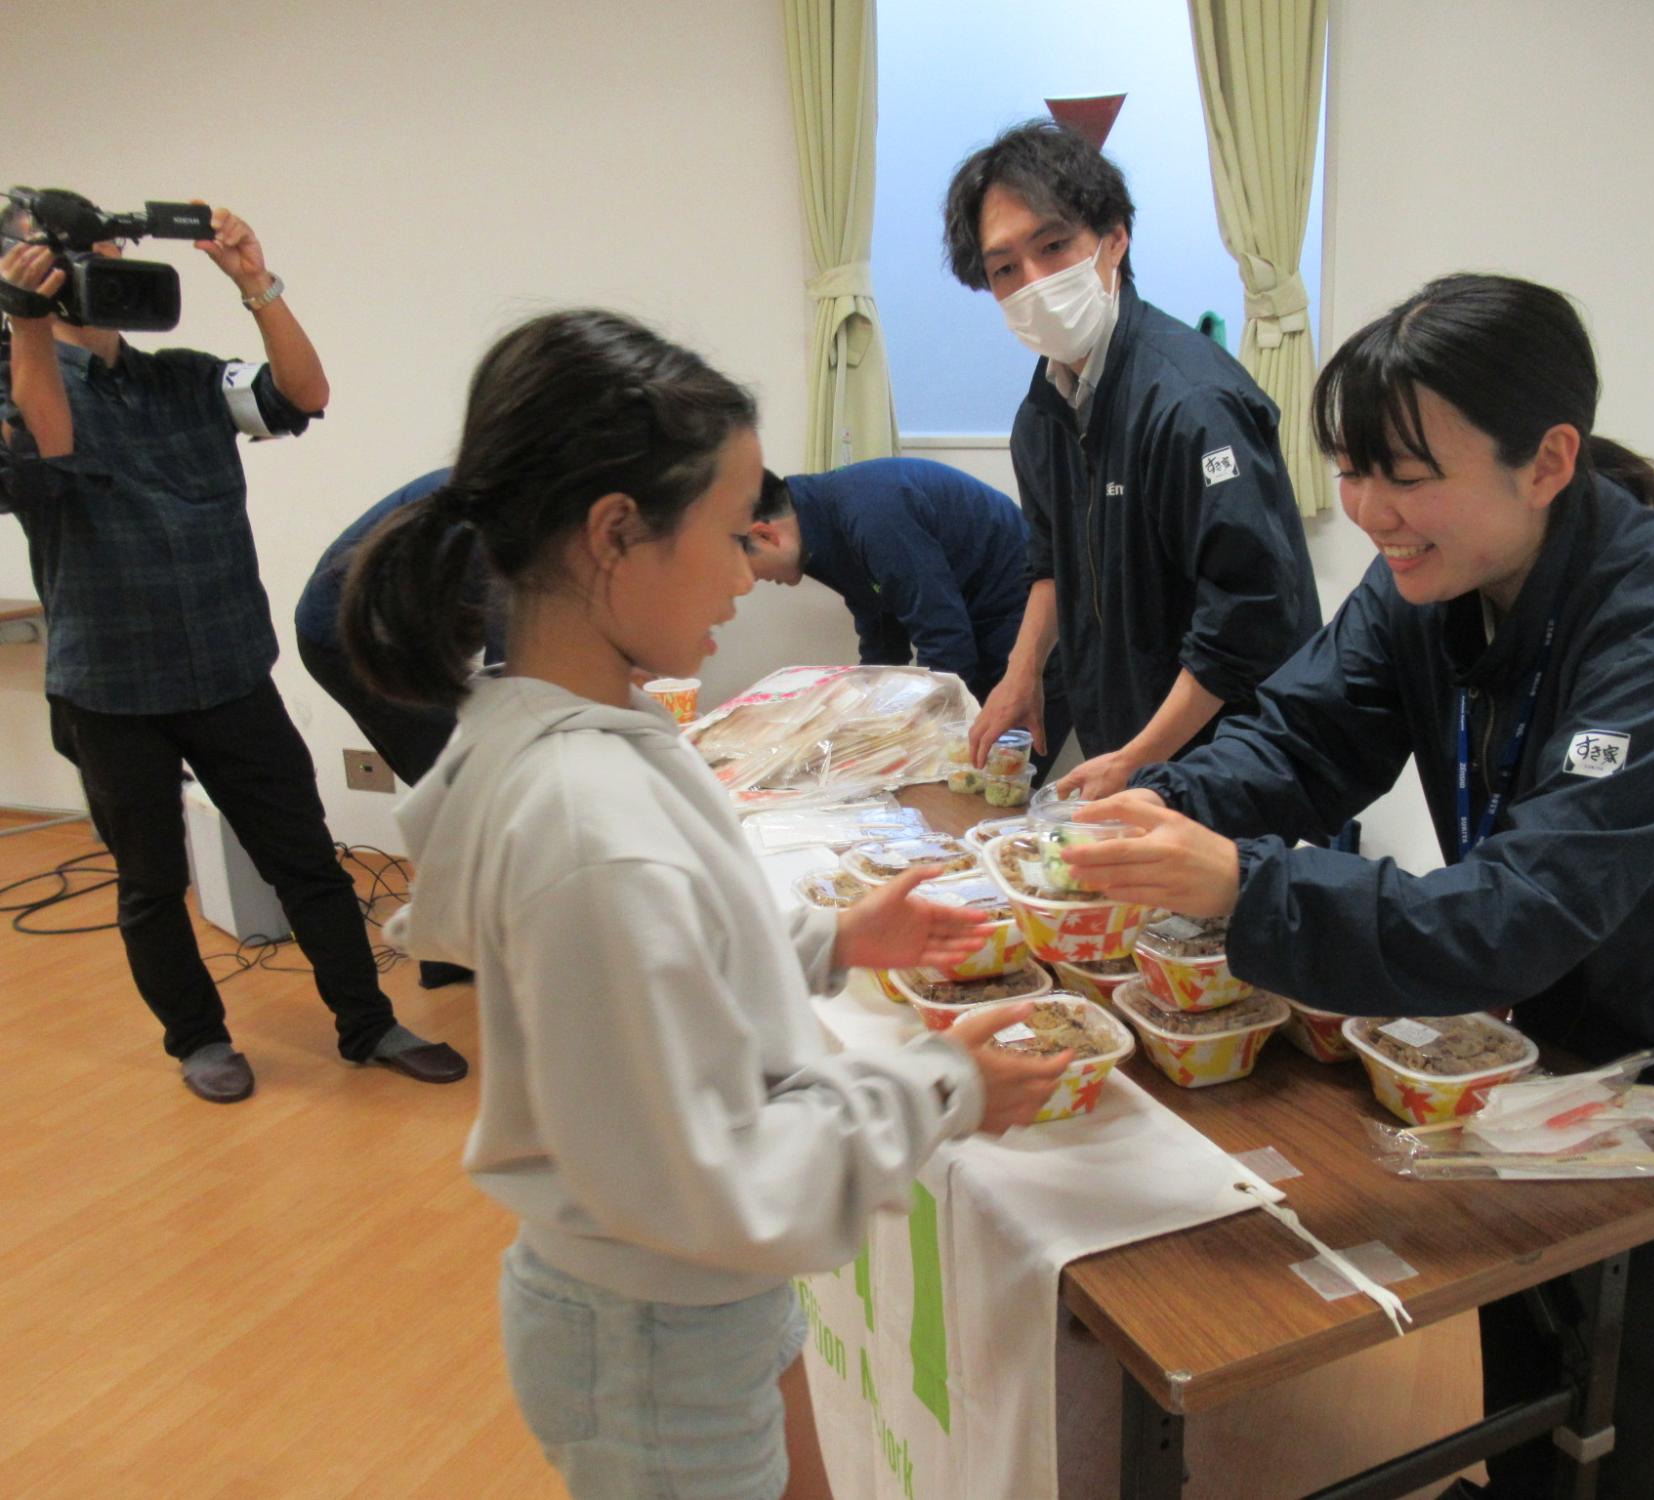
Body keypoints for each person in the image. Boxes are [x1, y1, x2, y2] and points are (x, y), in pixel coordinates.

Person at [1059, 273, 1654, 1500]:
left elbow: (1520, 910)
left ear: (1546, 462)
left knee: (1643, 1351)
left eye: (1404, 476)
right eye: (1350, 470)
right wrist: (1166, 805)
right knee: (1534, 1283)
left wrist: (1243, 884)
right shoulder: (1432, 575)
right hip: (1578, 982)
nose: (1368, 512)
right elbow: (1301, 737)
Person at [339, 308, 1069, 1500]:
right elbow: (711, 1176)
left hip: (691, 1297)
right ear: (614, 534)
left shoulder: (582, 730)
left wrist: (836, 936)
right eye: (729, 536)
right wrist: (943, 1089)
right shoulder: (583, 821)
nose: (746, 573)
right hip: (652, 1329)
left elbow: (665, 959)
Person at [0, 208, 466, 1104]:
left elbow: (304, 395)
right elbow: (49, 455)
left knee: (306, 859)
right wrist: (24, 323)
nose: (99, 267)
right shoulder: (18, 384)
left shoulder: (185, 379)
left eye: (106, 251)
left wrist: (257, 284)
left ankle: (368, 1024)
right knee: (151, 883)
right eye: (72, 257)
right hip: (110, 689)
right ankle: (199, 1039)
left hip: (228, 670)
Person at [942, 120, 1322, 797]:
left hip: (1229, 757)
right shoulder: (1043, 413)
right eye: (1004, 269)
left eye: (1053, 246)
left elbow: (1249, 613)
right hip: (1130, 741)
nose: (1033, 282)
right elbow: (1050, 560)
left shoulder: (1191, 402)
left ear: (1113, 239)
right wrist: (1021, 674)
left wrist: (1141, 758)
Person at [748, 456, 1072, 777]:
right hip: (978, 631)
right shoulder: (822, 523)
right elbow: (881, 637)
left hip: (1031, 637)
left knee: (994, 786)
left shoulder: (871, 512)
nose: (750, 580)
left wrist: (914, 735)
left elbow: (944, 640)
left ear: (764, 535)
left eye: (745, 566)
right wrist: (865, 716)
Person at [295, 467, 493, 988]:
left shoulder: (527, 491)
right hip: (347, 636)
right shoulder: (519, 521)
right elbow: (514, 681)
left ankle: (455, 946)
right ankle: (450, 949)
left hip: (403, 624)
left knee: (462, 782)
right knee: (459, 782)